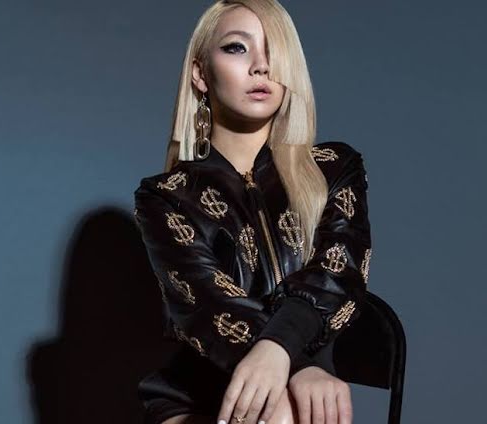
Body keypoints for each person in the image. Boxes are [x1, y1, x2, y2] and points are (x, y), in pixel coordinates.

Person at [132, 1, 373, 424]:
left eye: (274, 51)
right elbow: (208, 304)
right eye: (237, 48)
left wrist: (285, 353)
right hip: (197, 397)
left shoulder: (335, 169)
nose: (261, 66)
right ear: (200, 74)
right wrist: (296, 367)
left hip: (296, 392)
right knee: (280, 409)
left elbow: (338, 274)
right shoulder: (165, 197)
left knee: (287, 409)